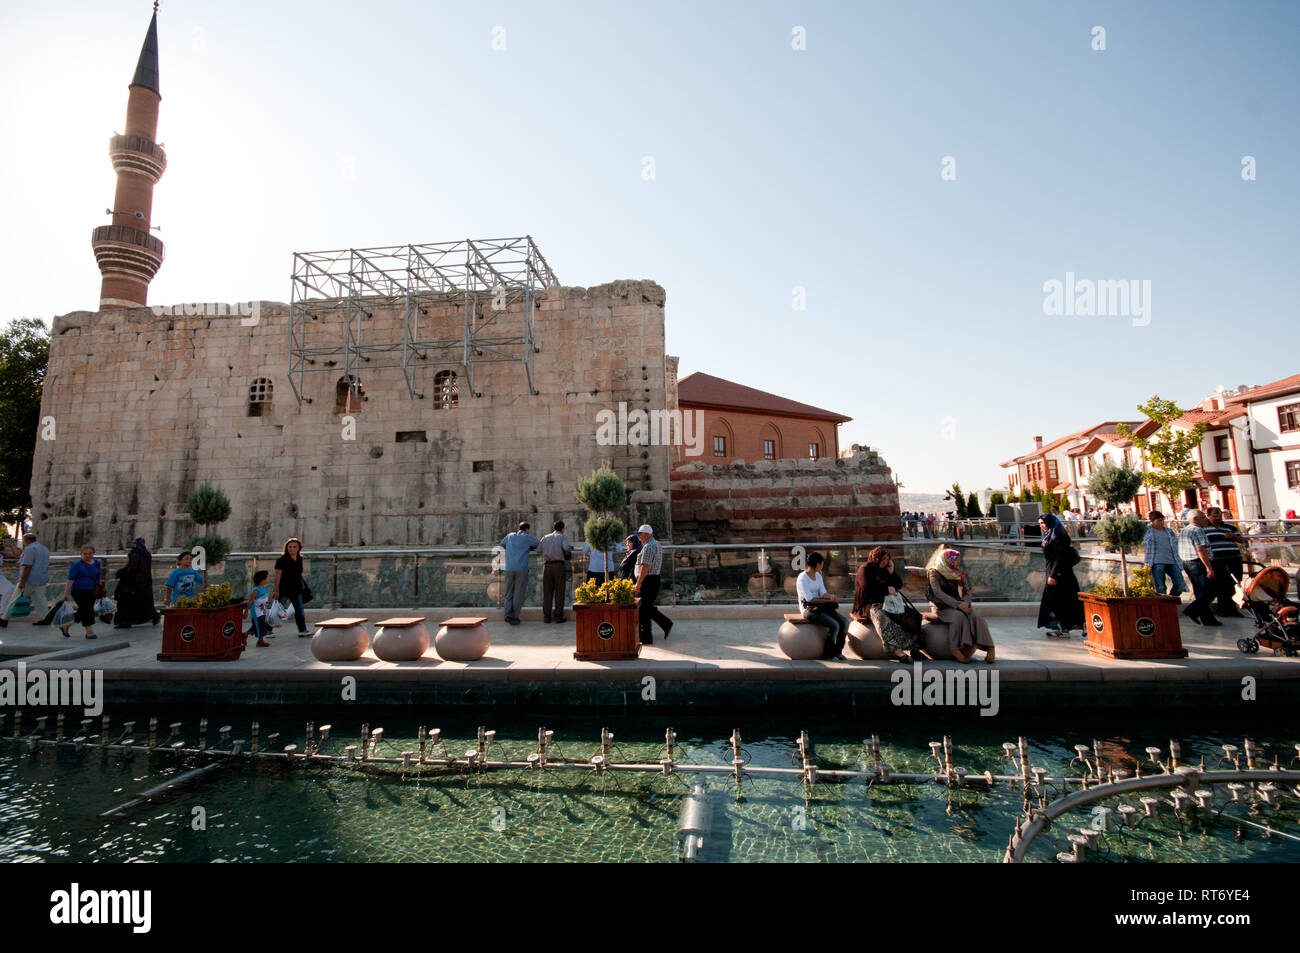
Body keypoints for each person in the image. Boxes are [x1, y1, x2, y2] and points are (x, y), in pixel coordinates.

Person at [926, 548, 995, 662]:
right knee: (958, 617)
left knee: (977, 617)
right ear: (948, 560)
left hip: (961, 604)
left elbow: (967, 591)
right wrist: (957, 604)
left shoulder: (958, 573)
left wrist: (966, 603)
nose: (958, 561)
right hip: (943, 607)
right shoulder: (934, 572)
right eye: (956, 559)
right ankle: (955, 648)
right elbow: (938, 593)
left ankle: (990, 648)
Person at [852, 545, 919, 662]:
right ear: (876, 558)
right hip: (868, 605)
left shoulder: (884, 570)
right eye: (883, 560)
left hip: (887, 603)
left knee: (909, 617)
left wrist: (891, 572)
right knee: (883, 618)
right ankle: (897, 651)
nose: (885, 562)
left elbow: (898, 584)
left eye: (887, 560)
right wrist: (886, 589)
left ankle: (914, 647)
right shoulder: (865, 569)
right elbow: (867, 588)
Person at [795, 551, 848, 660]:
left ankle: (838, 652)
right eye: (822, 564)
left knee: (844, 622)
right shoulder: (802, 578)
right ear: (818, 564)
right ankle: (828, 654)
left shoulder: (818, 576)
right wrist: (825, 600)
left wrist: (831, 597)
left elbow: (823, 592)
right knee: (834, 625)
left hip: (822, 606)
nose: (823, 566)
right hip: (809, 609)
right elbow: (810, 599)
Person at [1037, 513, 1083, 634]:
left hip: (1061, 575)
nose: (1042, 526)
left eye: (1043, 523)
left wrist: (1053, 575)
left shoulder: (1059, 537)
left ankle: (1067, 627)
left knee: (1064, 601)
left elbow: (1060, 558)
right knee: (1054, 601)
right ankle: (1058, 627)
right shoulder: (1050, 536)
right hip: (1053, 572)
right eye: (1040, 524)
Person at [1177, 509, 1219, 626]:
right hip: (1198, 563)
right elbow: (1201, 549)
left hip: (1187, 562)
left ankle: (1207, 619)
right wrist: (1209, 568)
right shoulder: (1198, 530)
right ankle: (1191, 610)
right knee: (1211, 591)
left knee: (1200, 591)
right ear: (1196, 519)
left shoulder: (1185, 530)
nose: (1206, 519)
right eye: (1203, 517)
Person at [0, 532, 52, 627]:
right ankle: (45, 618)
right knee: (41, 600)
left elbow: (27, 565)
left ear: (26, 541)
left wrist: (22, 581)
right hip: (41, 579)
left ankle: (4, 619)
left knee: (14, 599)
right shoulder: (45, 549)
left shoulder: (29, 549)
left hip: (29, 580)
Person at [632, 523, 672, 644]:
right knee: (645, 608)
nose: (639, 537)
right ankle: (646, 637)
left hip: (648, 580)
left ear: (647, 534)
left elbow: (645, 567)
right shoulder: (657, 544)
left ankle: (665, 624)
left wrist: (638, 584)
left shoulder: (649, 547)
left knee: (644, 608)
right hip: (653, 579)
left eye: (640, 534)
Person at [1205, 507, 1245, 617]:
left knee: (1235, 582)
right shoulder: (1204, 528)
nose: (1217, 518)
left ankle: (1233, 608)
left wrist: (1233, 537)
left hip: (1233, 557)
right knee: (1221, 584)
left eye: (1219, 516)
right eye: (1214, 516)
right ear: (1208, 516)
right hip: (1217, 559)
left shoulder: (1230, 527)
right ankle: (1222, 608)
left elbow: (1242, 540)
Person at [498, 522, 540, 625]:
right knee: (518, 593)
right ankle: (515, 617)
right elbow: (539, 544)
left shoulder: (509, 536)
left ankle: (507, 614)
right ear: (527, 529)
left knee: (508, 593)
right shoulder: (527, 537)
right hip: (521, 568)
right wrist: (529, 548)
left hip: (509, 567)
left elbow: (502, 545)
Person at [113, 537, 158, 628]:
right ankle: (152, 616)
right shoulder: (146, 554)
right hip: (145, 583)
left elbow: (132, 568)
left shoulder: (135, 554)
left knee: (128, 603)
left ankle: (125, 621)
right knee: (145, 602)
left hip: (133, 584)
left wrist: (124, 575)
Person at [60, 544, 102, 640]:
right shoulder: (76, 565)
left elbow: (98, 576)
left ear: (93, 554)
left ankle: (66, 625)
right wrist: (65, 594)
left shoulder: (96, 563)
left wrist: (100, 589)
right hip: (79, 591)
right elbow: (70, 580)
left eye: (90, 553)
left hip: (92, 590)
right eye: (85, 554)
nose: (87, 555)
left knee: (84, 610)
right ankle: (89, 631)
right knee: (87, 610)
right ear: (81, 554)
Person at [272, 537, 311, 635]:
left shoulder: (299, 558)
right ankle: (268, 629)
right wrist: (276, 590)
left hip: (297, 588)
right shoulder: (281, 560)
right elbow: (277, 576)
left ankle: (302, 630)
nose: (292, 549)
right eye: (290, 547)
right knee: (277, 609)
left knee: (299, 610)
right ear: (286, 548)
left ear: (298, 548)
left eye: (294, 547)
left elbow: (298, 573)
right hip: (284, 588)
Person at [1142, 511, 1185, 597]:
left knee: (1180, 583)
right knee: (1160, 587)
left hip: (1172, 560)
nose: (1162, 522)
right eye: (1159, 520)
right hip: (1157, 561)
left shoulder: (1169, 531)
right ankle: (1163, 602)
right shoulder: (1148, 531)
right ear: (1152, 521)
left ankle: (1171, 598)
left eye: (1162, 520)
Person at [538, 520, 573, 624]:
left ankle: (547, 617)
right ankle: (558, 616)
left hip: (547, 566)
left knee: (547, 592)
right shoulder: (562, 537)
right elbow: (566, 548)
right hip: (558, 566)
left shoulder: (545, 537)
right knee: (559, 592)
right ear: (562, 529)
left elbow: (538, 550)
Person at [248, 570, 273, 647]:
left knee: (259, 625)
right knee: (260, 625)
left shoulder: (264, 588)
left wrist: (272, 597)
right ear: (262, 580)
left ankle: (245, 635)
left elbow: (265, 598)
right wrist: (246, 612)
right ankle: (260, 641)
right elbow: (250, 601)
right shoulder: (256, 590)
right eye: (268, 577)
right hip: (256, 612)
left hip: (262, 611)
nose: (269, 578)